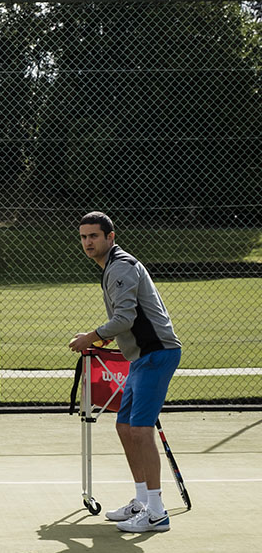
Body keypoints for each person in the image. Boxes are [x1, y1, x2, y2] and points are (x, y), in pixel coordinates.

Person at [69, 211, 182, 532]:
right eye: (83, 237)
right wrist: (99, 336)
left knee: (140, 430)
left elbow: (124, 319)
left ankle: (157, 512)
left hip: (157, 355)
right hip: (140, 358)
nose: (88, 242)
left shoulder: (120, 267)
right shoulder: (111, 267)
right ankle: (142, 499)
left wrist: (90, 337)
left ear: (110, 237)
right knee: (124, 427)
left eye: (94, 236)